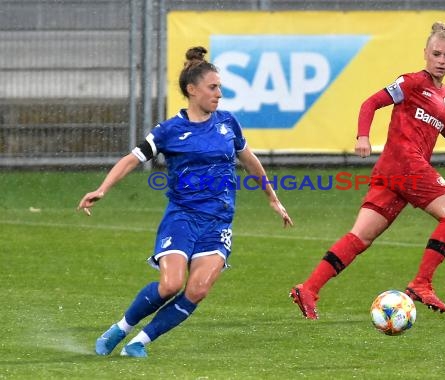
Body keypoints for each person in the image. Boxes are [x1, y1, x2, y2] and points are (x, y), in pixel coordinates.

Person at [78, 46, 293, 357]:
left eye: (219, 86)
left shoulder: (227, 123)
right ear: (192, 90)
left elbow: (250, 161)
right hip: (182, 217)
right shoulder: (170, 130)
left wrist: (273, 199)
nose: (219, 93)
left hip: (218, 221)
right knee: (170, 285)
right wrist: (102, 188)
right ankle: (120, 329)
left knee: (198, 290)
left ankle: (139, 342)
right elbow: (131, 159)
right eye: (213, 87)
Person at [290, 21, 445, 319]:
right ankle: (421, 284)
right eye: (436, 54)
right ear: (425, 52)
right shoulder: (411, 82)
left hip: (392, 172)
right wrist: (363, 136)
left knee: (360, 237)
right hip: (405, 164)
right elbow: (370, 103)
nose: (441, 61)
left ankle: (308, 289)